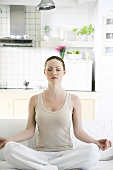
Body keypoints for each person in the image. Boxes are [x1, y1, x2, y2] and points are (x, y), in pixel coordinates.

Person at [0, 56, 112, 170]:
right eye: (49, 69)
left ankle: (43, 168)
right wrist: (8, 140)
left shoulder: (73, 99)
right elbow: (29, 131)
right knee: (9, 148)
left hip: (66, 154)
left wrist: (95, 142)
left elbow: (79, 131)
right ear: (44, 72)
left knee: (93, 151)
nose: (54, 72)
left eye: (58, 69)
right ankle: (56, 167)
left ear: (64, 72)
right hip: (40, 155)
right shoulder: (35, 99)